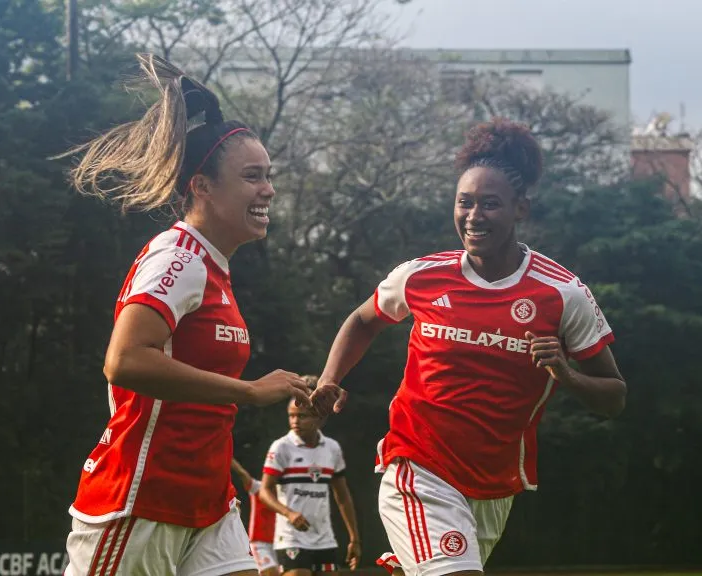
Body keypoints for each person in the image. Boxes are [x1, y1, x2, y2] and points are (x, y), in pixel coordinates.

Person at [310, 118, 627, 576]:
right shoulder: (420, 276)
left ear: (521, 209)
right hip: (416, 466)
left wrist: (568, 375)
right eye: (464, 203)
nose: (474, 216)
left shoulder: (561, 293)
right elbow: (363, 319)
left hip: (493, 486)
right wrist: (329, 379)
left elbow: (615, 396)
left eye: (490, 204)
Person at [57, 53, 312, 576]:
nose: (268, 189)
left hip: (208, 504)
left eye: (268, 176)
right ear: (202, 186)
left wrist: (296, 385)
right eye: (251, 176)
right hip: (141, 500)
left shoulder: (215, 268)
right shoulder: (178, 257)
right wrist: (249, 391)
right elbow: (124, 361)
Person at [258, 377, 360, 575]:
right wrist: (289, 513)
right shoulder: (281, 448)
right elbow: (264, 491)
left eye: (302, 416)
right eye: (291, 416)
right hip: (291, 538)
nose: (295, 422)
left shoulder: (332, 448)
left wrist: (354, 537)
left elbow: (343, 497)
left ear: (319, 418)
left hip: (325, 539)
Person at [231, 459, 279, 576]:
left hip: (278, 544)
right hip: (259, 543)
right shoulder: (258, 488)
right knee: (271, 573)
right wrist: (227, 456)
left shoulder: (284, 495)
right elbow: (242, 473)